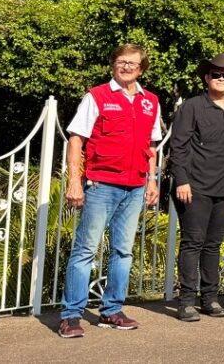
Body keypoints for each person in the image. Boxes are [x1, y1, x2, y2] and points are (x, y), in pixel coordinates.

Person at [58, 44, 163, 338]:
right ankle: (71, 315)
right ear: (113, 65)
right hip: (101, 184)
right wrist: (74, 180)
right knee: (85, 251)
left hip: (135, 185)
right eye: (120, 61)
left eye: (132, 63)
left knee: (123, 251)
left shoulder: (150, 102)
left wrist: (152, 180)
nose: (126, 66)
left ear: (141, 68)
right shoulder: (97, 96)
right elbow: (76, 139)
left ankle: (112, 311)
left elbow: (151, 146)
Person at [167, 54, 224, 322]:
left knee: (213, 245)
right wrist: (182, 180)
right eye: (216, 75)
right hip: (195, 187)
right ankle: (187, 302)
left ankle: (210, 298)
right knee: (193, 243)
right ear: (206, 78)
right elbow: (178, 146)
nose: (221, 79)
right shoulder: (191, 107)